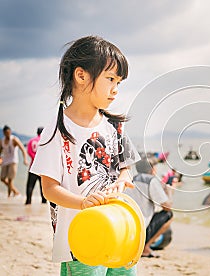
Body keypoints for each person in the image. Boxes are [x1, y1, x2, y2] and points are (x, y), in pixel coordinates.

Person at [30, 36, 140, 275]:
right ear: (81, 76)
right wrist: (82, 203)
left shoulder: (114, 126)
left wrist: (123, 178)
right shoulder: (58, 129)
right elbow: (49, 189)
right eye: (110, 79)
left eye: (119, 82)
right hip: (81, 237)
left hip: (120, 230)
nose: (115, 89)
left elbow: (125, 166)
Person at [125, 158, 173, 258]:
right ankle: (145, 248)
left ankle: (143, 245)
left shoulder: (132, 179)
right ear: (152, 169)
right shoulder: (151, 180)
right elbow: (167, 207)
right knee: (169, 215)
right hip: (141, 227)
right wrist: (169, 191)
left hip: (129, 225)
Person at [0, 125, 29, 197]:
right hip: (5, 161)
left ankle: (9, 195)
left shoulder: (14, 139)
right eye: (6, 133)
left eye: (9, 132)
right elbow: (0, 151)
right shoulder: (2, 141)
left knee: (10, 180)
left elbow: (23, 149)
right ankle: (15, 191)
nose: (8, 134)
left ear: (10, 132)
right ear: (4, 133)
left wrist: (25, 159)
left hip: (13, 161)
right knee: (2, 178)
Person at [25, 127, 47, 204]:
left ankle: (28, 201)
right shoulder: (45, 140)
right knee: (43, 186)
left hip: (33, 166)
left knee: (30, 185)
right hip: (42, 168)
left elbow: (29, 151)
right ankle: (44, 202)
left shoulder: (31, 141)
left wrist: (34, 158)